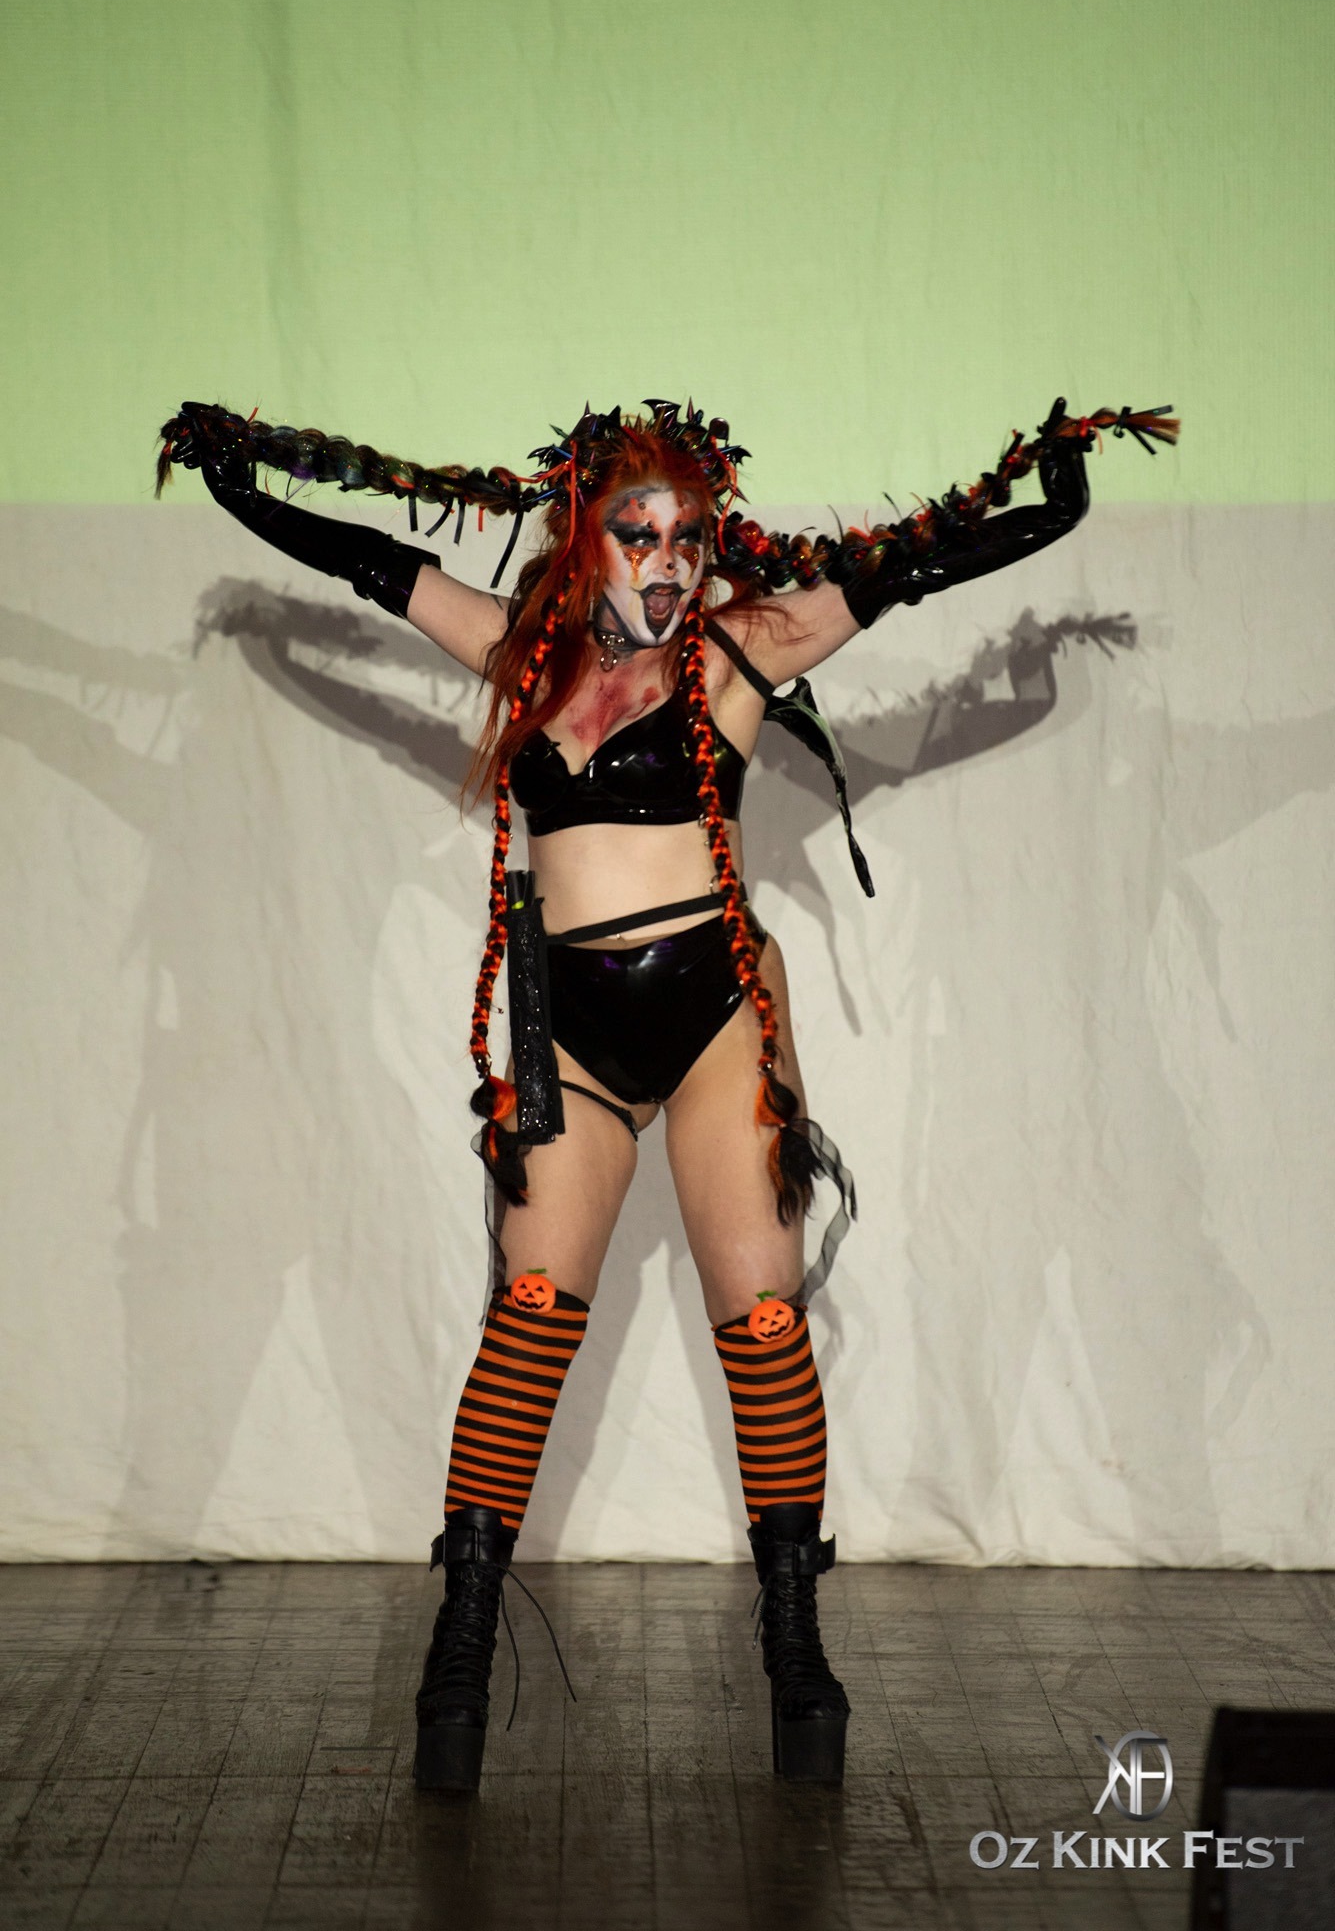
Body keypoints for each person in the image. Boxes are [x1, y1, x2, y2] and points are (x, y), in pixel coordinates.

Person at [158, 393, 1174, 1792]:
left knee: (763, 1322)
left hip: (712, 1016)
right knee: (529, 1316)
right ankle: (460, 1650)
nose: (669, 561)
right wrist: (243, 489)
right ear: (584, 537)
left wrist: (1047, 507)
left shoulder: (740, 651)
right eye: (638, 533)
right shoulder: (523, 655)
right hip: (566, 1029)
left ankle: (797, 1648)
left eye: (690, 537)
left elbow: (906, 567)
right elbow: (377, 571)